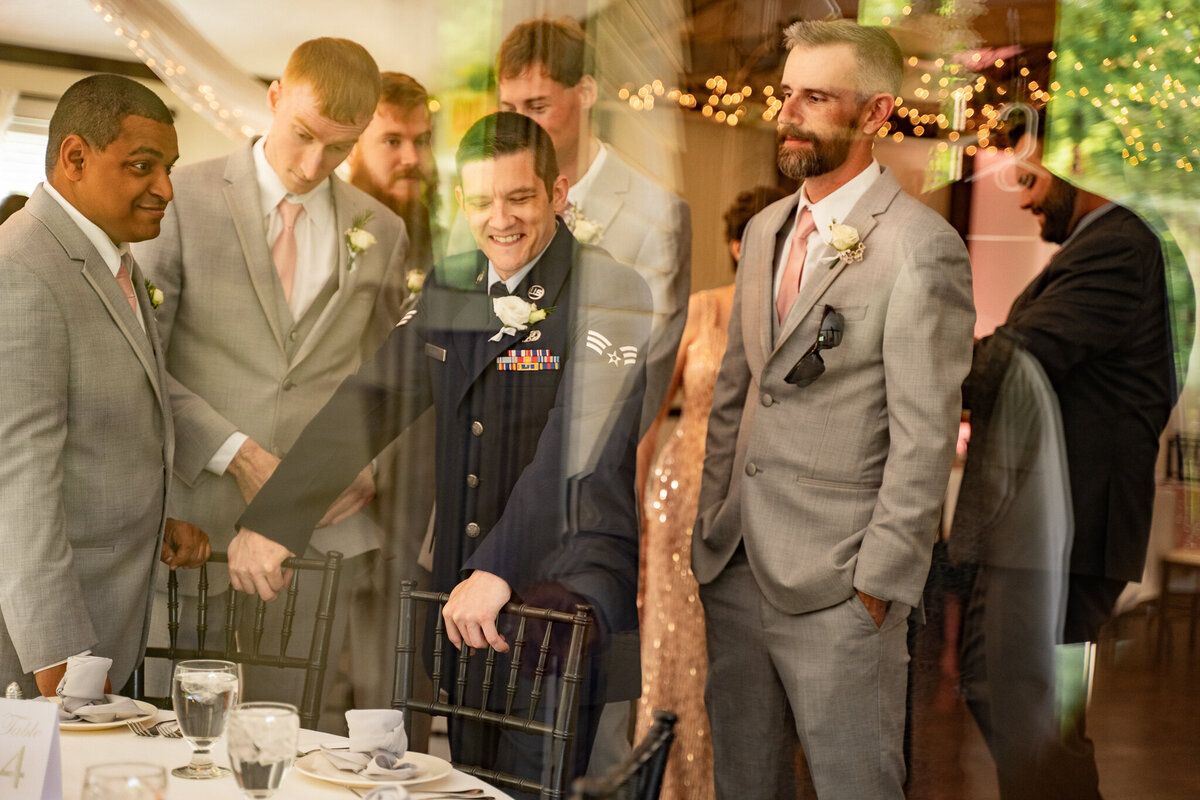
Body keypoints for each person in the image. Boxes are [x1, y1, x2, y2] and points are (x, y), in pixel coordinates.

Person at [230, 111, 651, 792]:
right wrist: (277, 518)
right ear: (462, 202)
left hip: (558, 603)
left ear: (559, 193)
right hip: (465, 605)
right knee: (467, 784)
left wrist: (499, 568)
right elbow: (369, 399)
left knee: (529, 791)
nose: (501, 220)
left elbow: (577, 453)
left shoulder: (614, 292)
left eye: (520, 197)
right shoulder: (455, 283)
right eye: (482, 200)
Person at [693, 20, 975, 800]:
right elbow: (735, 398)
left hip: (842, 589)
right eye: (788, 93)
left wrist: (876, 587)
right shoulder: (762, 229)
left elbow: (923, 440)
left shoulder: (922, 247)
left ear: (876, 113)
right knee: (743, 786)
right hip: (737, 566)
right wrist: (712, 527)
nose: (789, 113)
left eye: (816, 97)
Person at [132, 38, 410, 731]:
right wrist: (240, 453)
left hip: (320, 529)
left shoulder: (384, 230)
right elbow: (139, 362)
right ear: (275, 98)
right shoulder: (178, 197)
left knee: (293, 729)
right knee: (177, 732)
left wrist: (366, 460)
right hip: (191, 520)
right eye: (304, 136)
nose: (314, 166)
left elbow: (389, 379)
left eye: (339, 150)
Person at [961, 123, 1180, 798]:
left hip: (1065, 525)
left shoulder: (1120, 245)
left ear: (1078, 164)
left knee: (1028, 714)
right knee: (1020, 706)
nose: (1024, 201)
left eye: (1030, 178)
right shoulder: (1114, 244)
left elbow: (1017, 359)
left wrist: (916, 355)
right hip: (1054, 523)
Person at [495, 17, 692, 771]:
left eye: (538, 106)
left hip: (581, 514)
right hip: (489, 500)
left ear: (585, 94)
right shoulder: (492, 198)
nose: (521, 124)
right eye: (510, 105)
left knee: (568, 742)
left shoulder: (652, 219)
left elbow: (631, 390)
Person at [0, 74, 209, 698]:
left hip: (104, 620)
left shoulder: (108, 257)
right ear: (75, 158)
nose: (166, 188)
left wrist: (152, 516)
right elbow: (17, 481)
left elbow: (99, 421)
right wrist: (59, 659)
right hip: (39, 654)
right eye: (142, 165)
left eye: (169, 167)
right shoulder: (21, 269)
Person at [635, 184, 785, 800]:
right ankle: (669, 786)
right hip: (679, 499)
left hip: (756, 503)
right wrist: (634, 510)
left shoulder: (793, 318)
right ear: (735, 244)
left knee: (740, 653)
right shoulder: (701, 310)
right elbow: (646, 419)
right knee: (672, 648)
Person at [346, 71, 442, 273]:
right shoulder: (322, 240)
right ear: (350, 149)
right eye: (392, 142)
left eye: (422, 141)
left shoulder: (452, 252)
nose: (412, 159)